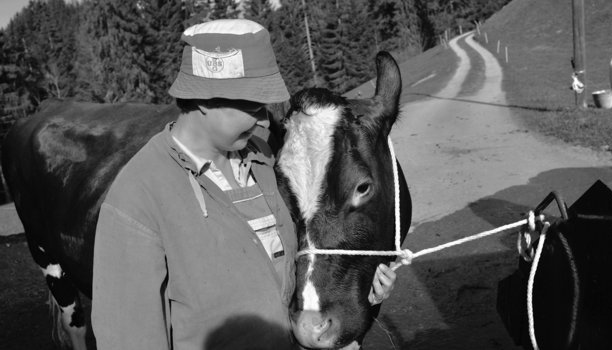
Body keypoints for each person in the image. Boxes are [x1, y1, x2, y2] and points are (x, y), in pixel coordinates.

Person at [91, 18, 396, 349]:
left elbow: (296, 273)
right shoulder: (138, 197)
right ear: (205, 100)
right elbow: (128, 339)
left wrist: (355, 289)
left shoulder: (266, 161)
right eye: (252, 105)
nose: (263, 117)